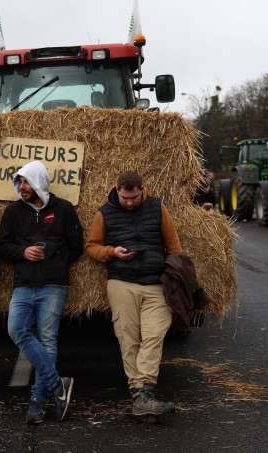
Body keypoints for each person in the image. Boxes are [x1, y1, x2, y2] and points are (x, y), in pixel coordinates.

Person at [85, 170, 182, 419]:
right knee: (128, 338)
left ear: (142, 189)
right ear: (117, 189)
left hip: (155, 283)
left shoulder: (157, 208)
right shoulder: (103, 212)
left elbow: (174, 246)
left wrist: (173, 276)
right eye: (125, 198)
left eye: (134, 198)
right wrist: (112, 252)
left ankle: (143, 393)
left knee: (155, 334)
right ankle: (141, 397)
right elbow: (91, 247)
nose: (129, 202)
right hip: (121, 282)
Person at [0, 161, 84, 424]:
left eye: (26, 182)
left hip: (53, 285)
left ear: (38, 183)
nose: (22, 187)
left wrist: (55, 262)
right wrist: (23, 252)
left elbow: (76, 245)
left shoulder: (64, 209)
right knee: (16, 330)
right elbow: (2, 246)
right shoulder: (13, 212)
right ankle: (58, 386)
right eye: (19, 182)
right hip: (23, 285)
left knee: (48, 340)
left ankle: (37, 401)